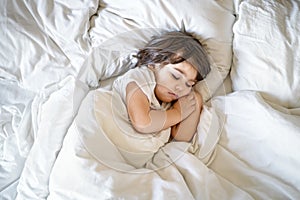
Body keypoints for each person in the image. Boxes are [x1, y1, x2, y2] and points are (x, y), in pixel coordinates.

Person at [112, 31, 210, 143]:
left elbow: (182, 137)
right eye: (176, 76)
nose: (181, 88)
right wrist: (178, 113)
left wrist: (194, 102)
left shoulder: (168, 102)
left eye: (189, 84)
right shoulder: (140, 78)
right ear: (153, 63)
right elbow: (143, 123)